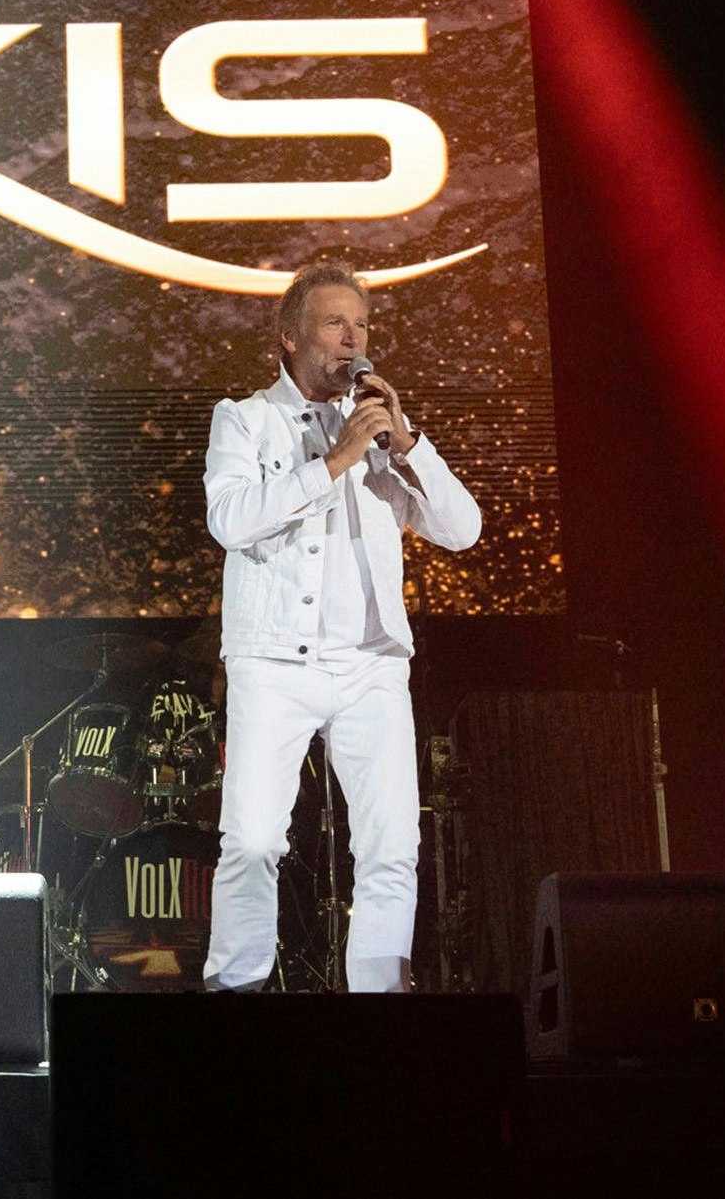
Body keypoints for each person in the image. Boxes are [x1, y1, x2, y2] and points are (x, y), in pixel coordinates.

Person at [199, 260, 480, 992]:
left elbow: (463, 530)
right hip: (273, 662)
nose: (353, 338)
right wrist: (335, 462)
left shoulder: (383, 436)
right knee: (252, 840)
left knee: (391, 848)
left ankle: (378, 1005)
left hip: (371, 664)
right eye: (334, 323)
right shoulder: (244, 418)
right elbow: (230, 520)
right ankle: (234, 993)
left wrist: (407, 445)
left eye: (361, 324)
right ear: (289, 336)